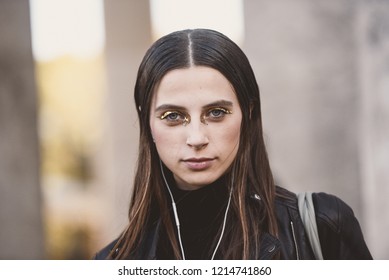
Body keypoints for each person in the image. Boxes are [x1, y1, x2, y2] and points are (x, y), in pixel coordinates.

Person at [94, 28, 372, 260]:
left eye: (216, 113)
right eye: (173, 116)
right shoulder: (112, 262)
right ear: (147, 122)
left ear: (248, 114)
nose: (196, 138)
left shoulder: (323, 226)